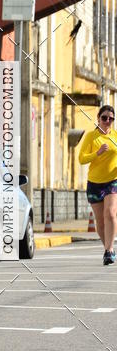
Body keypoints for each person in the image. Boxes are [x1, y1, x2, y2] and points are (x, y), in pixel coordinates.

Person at [78, 104, 117, 265]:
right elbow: (82, 159)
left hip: (112, 181)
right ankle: (109, 250)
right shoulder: (91, 137)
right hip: (94, 183)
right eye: (104, 118)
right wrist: (98, 152)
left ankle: (109, 250)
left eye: (111, 119)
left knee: (111, 213)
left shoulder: (115, 136)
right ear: (98, 119)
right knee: (100, 221)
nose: (107, 121)